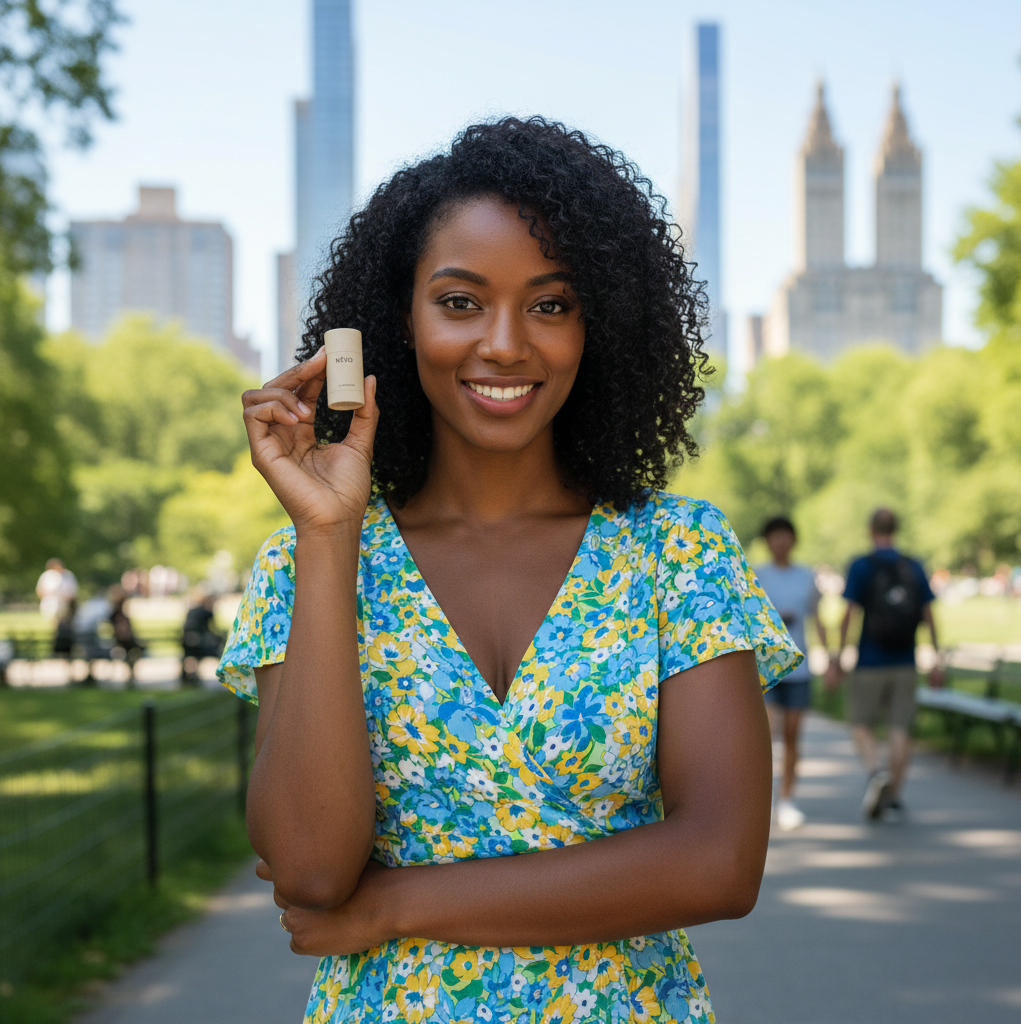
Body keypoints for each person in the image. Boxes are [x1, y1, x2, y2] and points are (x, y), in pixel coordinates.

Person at [218, 117, 800, 1024]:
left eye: (551, 304)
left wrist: (402, 903)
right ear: (394, 323)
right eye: (459, 302)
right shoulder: (306, 560)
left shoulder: (677, 555)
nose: (505, 343)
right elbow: (311, 866)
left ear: (598, 323)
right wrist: (329, 534)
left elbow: (719, 863)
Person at [826, 507, 941, 820]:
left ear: (870, 529)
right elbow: (929, 614)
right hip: (905, 660)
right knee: (900, 728)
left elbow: (848, 615)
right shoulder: (913, 566)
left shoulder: (863, 566)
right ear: (896, 529)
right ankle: (893, 796)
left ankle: (877, 772)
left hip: (870, 660)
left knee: (861, 724)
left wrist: (837, 658)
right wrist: (936, 658)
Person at [756, 517, 827, 831]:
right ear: (768, 541)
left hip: (799, 669)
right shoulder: (757, 574)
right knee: (765, 739)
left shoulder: (806, 576)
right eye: (775, 536)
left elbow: (818, 618)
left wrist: (833, 656)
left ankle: (787, 800)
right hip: (766, 670)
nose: (780, 542)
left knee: (793, 738)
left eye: (785, 536)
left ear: (793, 540)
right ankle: (759, 801)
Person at [181, 593, 225, 684]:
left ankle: (189, 677)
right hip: (199, 644)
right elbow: (212, 628)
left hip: (188, 642)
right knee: (219, 651)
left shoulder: (193, 611)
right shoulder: (206, 612)